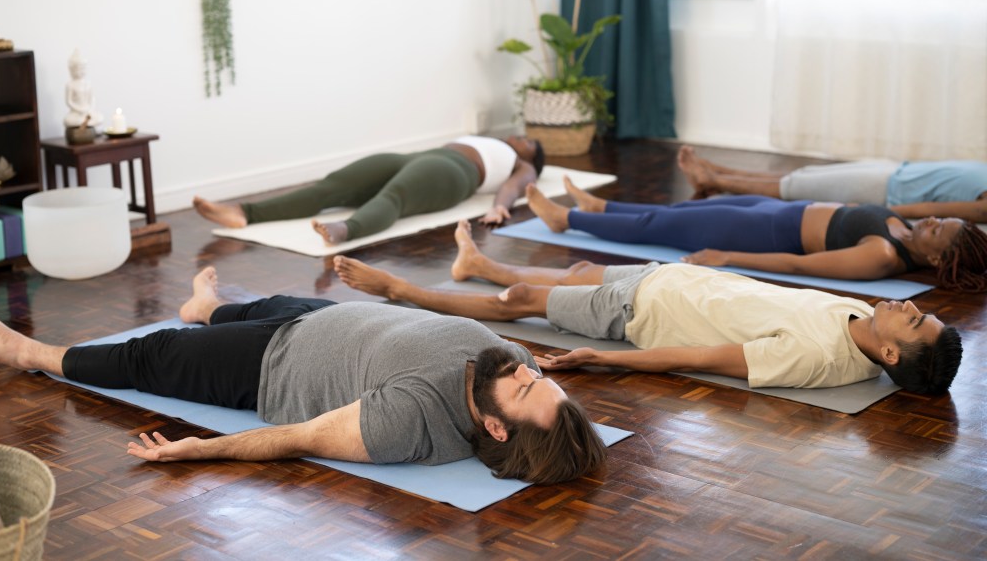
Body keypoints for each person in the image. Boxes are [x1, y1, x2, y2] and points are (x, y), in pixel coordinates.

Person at [0, 267, 606, 485]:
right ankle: (204, 307)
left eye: (525, 387)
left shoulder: (409, 422)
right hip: (322, 317)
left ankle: (33, 354)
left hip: (269, 364)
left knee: (151, 354)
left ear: (494, 426)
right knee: (251, 304)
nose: (524, 369)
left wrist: (204, 451)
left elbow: (299, 437)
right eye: (535, 375)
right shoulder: (504, 366)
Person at [332, 221, 964, 394]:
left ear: (891, 352)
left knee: (523, 303)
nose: (904, 306)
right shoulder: (861, 319)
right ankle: (482, 264)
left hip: (640, 313)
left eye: (912, 319)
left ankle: (404, 291)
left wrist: (608, 361)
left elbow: (704, 358)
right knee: (577, 268)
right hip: (667, 279)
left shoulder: (813, 359)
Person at [521, 177, 987, 293]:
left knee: (662, 227)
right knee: (682, 209)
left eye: (938, 231)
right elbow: (926, 207)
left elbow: (800, 265)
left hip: (764, 232)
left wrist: (727, 256)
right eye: (939, 220)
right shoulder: (903, 226)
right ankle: (601, 206)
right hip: (779, 210)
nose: (931, 222)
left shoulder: (883, 256)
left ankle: (568, 220)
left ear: (936, 261)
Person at [194, 135, 546, 245]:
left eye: (529, 143)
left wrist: (501, 207)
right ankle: (245, 213)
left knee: (393, 197)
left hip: (452, 173)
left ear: (532, 157)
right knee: (333, 186)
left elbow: (514, 188)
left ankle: (346, 229)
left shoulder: (522, 165)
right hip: (416, 156)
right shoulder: (489, 136)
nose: (520, 139)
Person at [678, 145, 987, 223]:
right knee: (801, 177)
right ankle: (715, 173)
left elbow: (930, 208)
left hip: (883, 189)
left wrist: (874, 211)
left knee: (793, 187)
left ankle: (713, 178)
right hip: (895, 171)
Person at [63, 49, 104, 128]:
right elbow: (69, 102)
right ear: (72, 70)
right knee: (68, 120)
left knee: (99, 117)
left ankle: (86, 122)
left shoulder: (88, 84)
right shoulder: (70, 85)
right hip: (76, 113)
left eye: (82, 68)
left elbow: (92, 99)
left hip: (87, 111)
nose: (80, 71)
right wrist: (80, 109)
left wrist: (89, 109)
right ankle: (85, 123)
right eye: (77, 69)